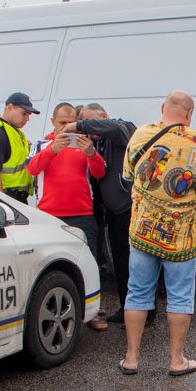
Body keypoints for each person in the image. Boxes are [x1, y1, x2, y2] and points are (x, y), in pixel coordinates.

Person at [119, 91, 196, 376]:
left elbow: (128, 174)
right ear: (189, 114)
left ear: (162, 108)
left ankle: (131, 359)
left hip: (142, 231)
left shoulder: (142, 135)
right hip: (180, 237)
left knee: (138, 292)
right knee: (179, 296)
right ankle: (177, 361)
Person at [26, 102, 110, 331]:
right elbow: (32, 169)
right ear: (53, 121)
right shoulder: (42, 143)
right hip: (50, 216)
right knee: (51, 265)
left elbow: (100, 172)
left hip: (82, 213)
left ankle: (91, 312)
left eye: (71, 122)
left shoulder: (84, 143)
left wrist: (91, 154)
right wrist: (53, 149)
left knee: (89, 264)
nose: (67, 127)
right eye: (62, 122)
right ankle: (56, 308)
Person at [63, 103, 144, 324]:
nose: (91, 131)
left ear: (104, 117)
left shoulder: (122, 129)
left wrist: (78, 124)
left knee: (134, 262)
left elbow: (114, 129)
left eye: (93, 123)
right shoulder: (97, 141)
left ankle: (144, 312)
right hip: (109, 211)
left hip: (127, 208)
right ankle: (128, 308)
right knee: (119, 262)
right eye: (87, 127)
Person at [0, 92, 38, 203]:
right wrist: (2, 206)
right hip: (6, 197)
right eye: (24, 113)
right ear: (10, 107)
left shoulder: (12, 131)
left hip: (14, 197)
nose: (27, 119)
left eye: (29, 115)